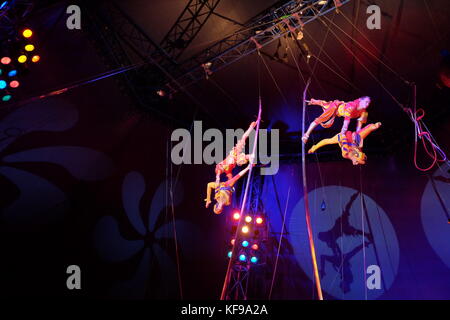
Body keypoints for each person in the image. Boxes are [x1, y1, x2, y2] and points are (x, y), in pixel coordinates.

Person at [302, 96, 371, 144]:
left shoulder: (364, 113)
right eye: (366, 102)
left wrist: (357, 137)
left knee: (325, 104)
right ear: (360, 100)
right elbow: (346, 122)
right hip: (335, 107)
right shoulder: (352, 106)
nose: (367, 104)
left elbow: (359, 127)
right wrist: (342, 133)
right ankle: (306, 135)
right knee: (319, 119)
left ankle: (313, 102)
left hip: (337, 112)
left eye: (368, 103)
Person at [308, 122, 382, 165]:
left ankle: (314, 147)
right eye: (358, 153)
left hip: (344, 138)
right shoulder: (359, 149)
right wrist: (373, 127)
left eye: (356, 156)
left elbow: (344, 141)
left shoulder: (345, 153)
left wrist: (343, 135)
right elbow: (361, 136)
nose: (357, 152)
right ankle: (371, 125)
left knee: (329, 141)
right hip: (353, 140)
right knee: (359, 139)